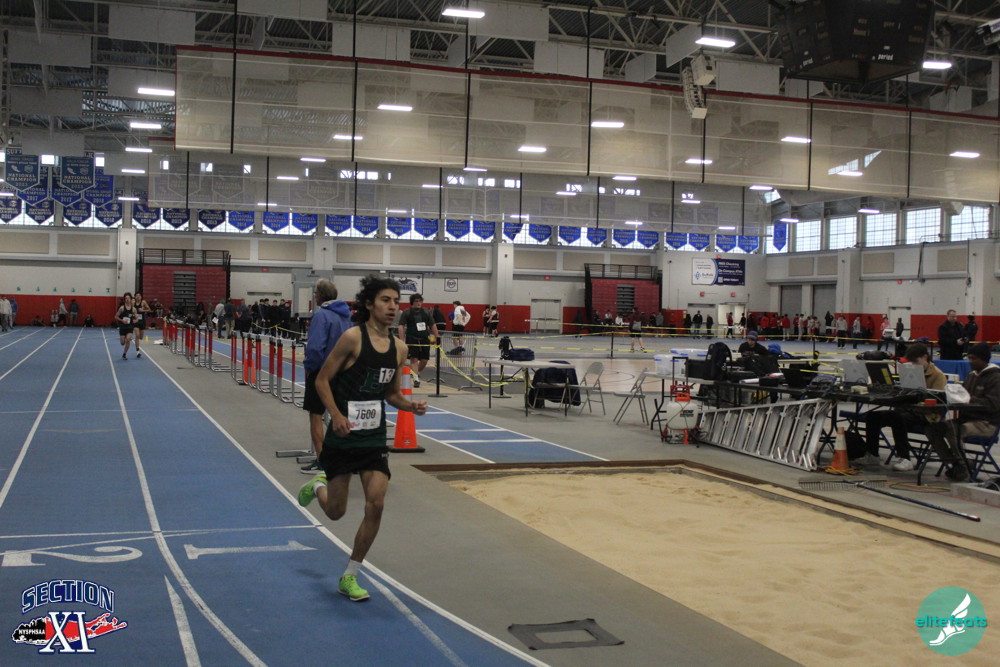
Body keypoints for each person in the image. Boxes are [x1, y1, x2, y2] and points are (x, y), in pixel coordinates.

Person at [297, 275, 428, 603]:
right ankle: (318, 487)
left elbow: (391, 395)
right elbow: (322, 380)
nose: (393, 307)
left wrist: (410, 405)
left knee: (377, 503)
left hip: (373, 438)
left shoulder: (399, 348)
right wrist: (336, 415)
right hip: (343, 438)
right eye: (385, 300)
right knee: (336, 512)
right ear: (369, 304)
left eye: (396, 301)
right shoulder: (352, 338)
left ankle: (350, 575)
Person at [862, 343, 946, 471]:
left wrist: (920, 397)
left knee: (898, 418)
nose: (913, 365)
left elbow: (939, 400)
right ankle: (872, 454)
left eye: (916, 361)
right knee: (873, 416)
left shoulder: (938, 375)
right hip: (908, 410)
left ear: (925, 357)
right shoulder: (910, 371)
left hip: (927, 415)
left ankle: (905, 458)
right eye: (911, 362)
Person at [923, 343, 1000, 481]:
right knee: (933, 429)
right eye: (969, 358)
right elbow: (962, 395)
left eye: (974, 358)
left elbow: (993, 405)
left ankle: (963, 466)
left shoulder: (996, 378)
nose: (970, 361)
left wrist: (968, 399)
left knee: (955, 430)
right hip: (964, 418)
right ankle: (958, 464)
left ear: (984, 359)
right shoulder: (971, 375)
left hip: (986, 423)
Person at [302, 279, 354, 475]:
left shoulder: (321, 315)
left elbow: (315, 347)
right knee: (341, 415)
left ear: (321, 295)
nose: (315, 296)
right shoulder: (347, 316)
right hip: (344, 372)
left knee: (315, 415)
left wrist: (310, 367)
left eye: (316, 293)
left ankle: (322, 460)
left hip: (322, 372)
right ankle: (347, 458)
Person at [397, 293, 438, 387]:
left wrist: (437, 337)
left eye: (420, 301)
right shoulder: (407, 312)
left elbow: (433, 325)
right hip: (412, 339)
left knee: (425, 359)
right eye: (416, 301)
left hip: (424, 339)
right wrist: (401, 340)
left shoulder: (426, 312)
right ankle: (416, 379)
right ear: (412, 302)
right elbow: (401, 326)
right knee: (414, 359)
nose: (418, 303)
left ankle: (416, 373)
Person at [115, 293, 138, 360]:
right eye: (126, 298)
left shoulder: (133, 309)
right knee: (122, 343)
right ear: (124, 299)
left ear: (130, 299)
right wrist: (122, 320)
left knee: (128, 340)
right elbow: (116, 316)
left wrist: (136, 320)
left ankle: (124, 354)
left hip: (130, 327)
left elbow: (137, 317)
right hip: (122, 327)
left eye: (128, 298)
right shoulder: (122, 308)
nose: (127, 299)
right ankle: (124, 337)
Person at [133, 291, 151, 358]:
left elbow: (149, 309)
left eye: (139, 295)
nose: (138, 297)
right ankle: (138, 351)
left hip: (142, 322)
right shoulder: (133, 303)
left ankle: (137, 343)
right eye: (137, 295)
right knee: (137, 335)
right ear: (135, 297)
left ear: (141, 297)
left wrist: (143, 310)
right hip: (136, 322)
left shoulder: (143, 302)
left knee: (141, 337)